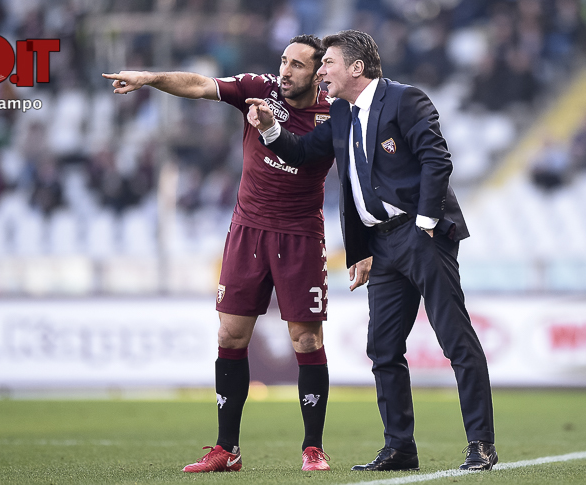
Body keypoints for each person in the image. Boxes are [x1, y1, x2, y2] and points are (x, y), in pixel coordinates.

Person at [103, 34, 372, 473]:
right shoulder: (259, 88)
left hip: (300, 235)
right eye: (283, 61)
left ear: (318, 73)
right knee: (230, 336)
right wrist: (150, 78)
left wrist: (362, 244)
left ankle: (313, 448)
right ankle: (226, 449)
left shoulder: (335, 112)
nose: (285, 71)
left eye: (298, 65)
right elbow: (198, 85)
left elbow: (328, 167)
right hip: (247, 231)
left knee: (306, 340)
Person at [248, 29, 497, 472]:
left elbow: (437, 159)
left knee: (455, 339)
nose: (320, 72)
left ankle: (481, 444)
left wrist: (425, 223)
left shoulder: (406, 100)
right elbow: (302, 153)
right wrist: (269, 127)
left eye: (328, 63)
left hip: (421, 234)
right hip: (380, 245)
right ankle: (400, 447)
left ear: (356, 68)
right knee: (382, 347)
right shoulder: (340, 112)